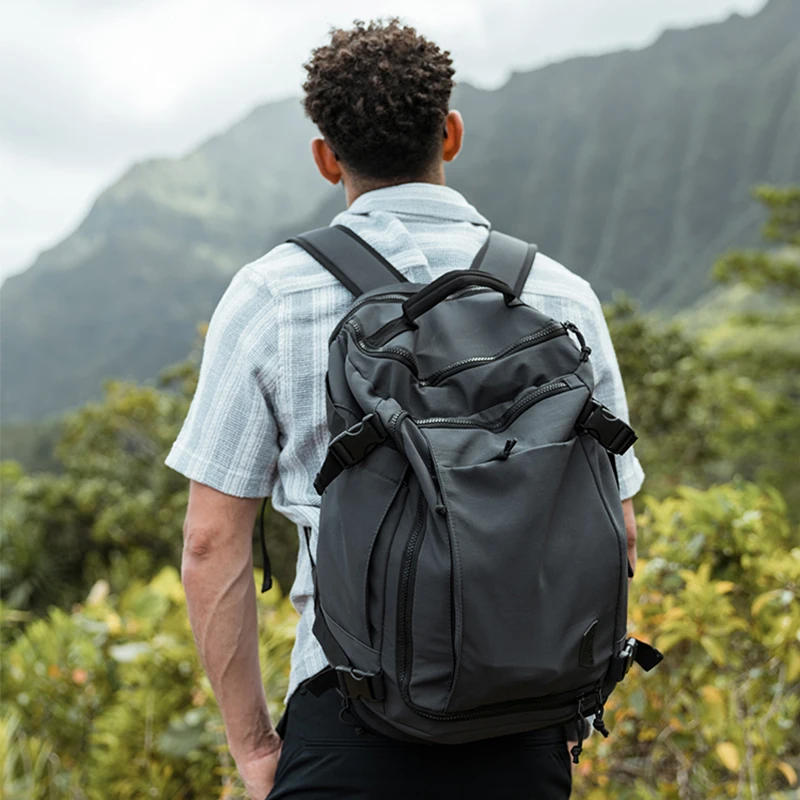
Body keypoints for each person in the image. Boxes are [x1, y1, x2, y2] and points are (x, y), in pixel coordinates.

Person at [166, 17, 645, 800]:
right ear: (450, 134)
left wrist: (255, 748)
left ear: (326, 157)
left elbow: (211, 542)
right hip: (522, 716)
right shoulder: (560, 295)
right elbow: (614, 527)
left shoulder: (272, 294)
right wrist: (563, 710)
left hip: (347, 714)